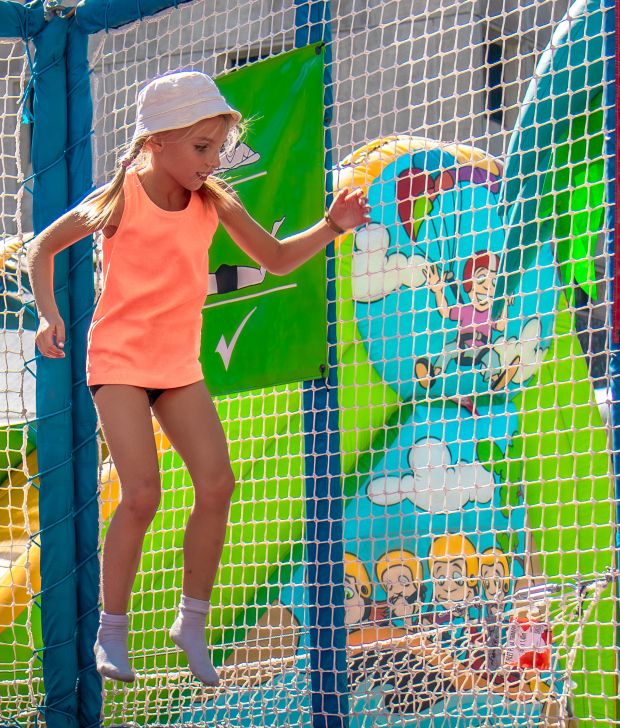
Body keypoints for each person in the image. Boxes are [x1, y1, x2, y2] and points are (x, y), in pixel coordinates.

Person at [27, 71, 370, 685]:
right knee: (142, 493)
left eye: (217, 148)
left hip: (177, 365)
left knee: (217, 483)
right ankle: (110, 629)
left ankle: (192, 620)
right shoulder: (118, 198)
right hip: (120, 362)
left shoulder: (214, 199)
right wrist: (49, 316)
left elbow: (276, 258)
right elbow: (43, 248)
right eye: (201, 148)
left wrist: (333, 225)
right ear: (157, 141)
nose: (212, 162)